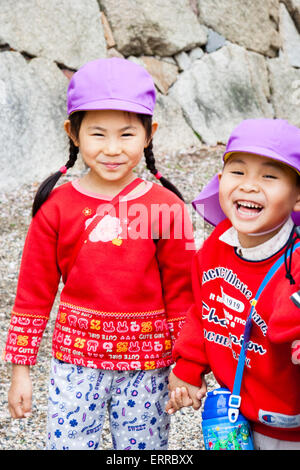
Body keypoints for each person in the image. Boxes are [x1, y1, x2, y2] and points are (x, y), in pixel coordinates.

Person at [3, 57, 195, 450]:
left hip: (149, 367)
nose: (112, 149)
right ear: (73, 134)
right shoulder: (55, 207)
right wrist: (20, 371)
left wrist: (187, 365)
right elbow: (33, 294)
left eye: (126, 134)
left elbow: (182, 294)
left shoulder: (167, 208)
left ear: (149, 134)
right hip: (74, 364)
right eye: (97, 134)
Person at [166, 119, 300, 450]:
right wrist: (189, 365)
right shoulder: (216, 246)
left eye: (269, 176)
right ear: (220, 180)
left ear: (298, 197)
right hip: (235, 417)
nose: (250, 186)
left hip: (289, 424)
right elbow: (204, 309)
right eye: (238, 172)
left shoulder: (295, 260)